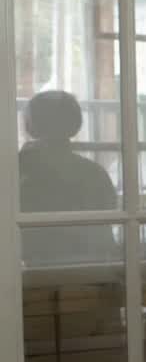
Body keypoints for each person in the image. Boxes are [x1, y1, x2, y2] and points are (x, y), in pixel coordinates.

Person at [18, 89, 119, 266]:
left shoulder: (18, 171)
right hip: (95, 268)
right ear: (74, 123)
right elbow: (109, 216)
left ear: (30, 124)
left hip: (35, 269)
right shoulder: (95, 172)